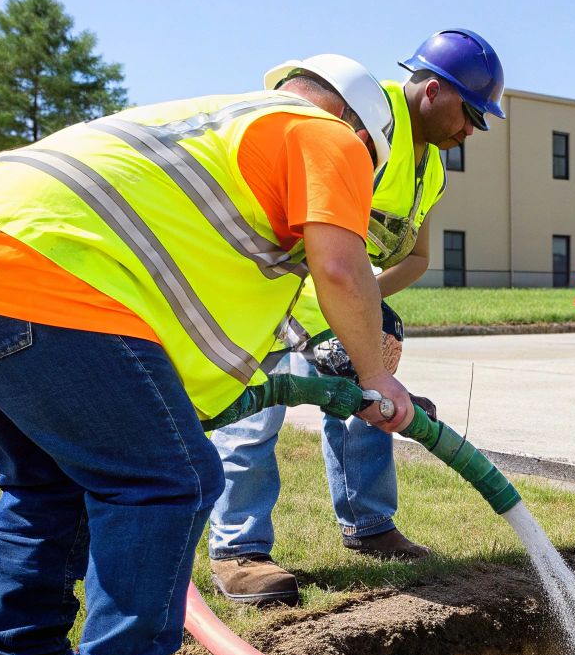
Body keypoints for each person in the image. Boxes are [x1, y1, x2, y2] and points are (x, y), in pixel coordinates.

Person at [0, 40, 501, 655]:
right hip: (20, 272)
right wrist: (381, 376)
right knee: (169, 480)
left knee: (46, 480)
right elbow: (342, 267)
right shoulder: (329, 136)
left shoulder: (212, 128)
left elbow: (241, 279)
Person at [209, 32, 502, 607]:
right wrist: (341, 317)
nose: (473, 131)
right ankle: (238, 551)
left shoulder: (433, 170)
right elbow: (313, 240)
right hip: (274, 284)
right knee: (254, 412)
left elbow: (413, 259)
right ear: (435, 91)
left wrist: (365, 323)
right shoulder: (361, 121)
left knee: (373, 402)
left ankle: (369, 528)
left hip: (334, 296)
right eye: (471, 114)